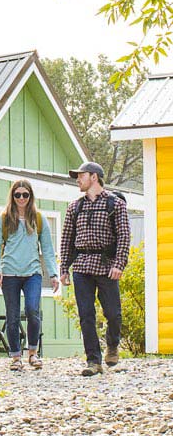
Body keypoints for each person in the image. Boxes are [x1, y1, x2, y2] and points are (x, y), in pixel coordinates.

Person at [60, 161, 131, 376]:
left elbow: (124, 237)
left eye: (81, 175)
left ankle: (112, 346)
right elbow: (66, 240)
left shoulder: (115, 204)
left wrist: (119, 264)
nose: (78, 180)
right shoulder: (75, 206)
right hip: (82, 265)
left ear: (94, 177)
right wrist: (64, 267)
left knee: (113, 313)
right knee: (86, 314)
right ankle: (93, 361)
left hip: (107, 265)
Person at [0, 179, 58, 371]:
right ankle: (15, 357)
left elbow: (47, 247)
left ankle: (33, 353)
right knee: (12, 316)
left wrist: (53, 274)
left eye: (25, 195)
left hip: (33, 273)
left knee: (32, 311)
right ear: (12, 196)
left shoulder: (38, 218)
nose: (21, 198)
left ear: (30, 196)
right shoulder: (3, 218)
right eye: (17, 195)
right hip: (9, 273)